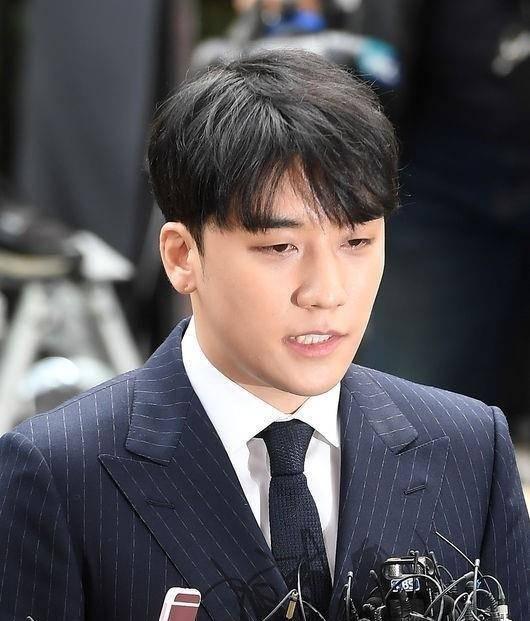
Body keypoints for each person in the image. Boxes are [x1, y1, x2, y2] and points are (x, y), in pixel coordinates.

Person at [0, 50, 527, 621]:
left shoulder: (470, 450)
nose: (326, 292)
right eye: (280, 247)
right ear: (182, 256)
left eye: (356, 242)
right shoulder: (60, 473)